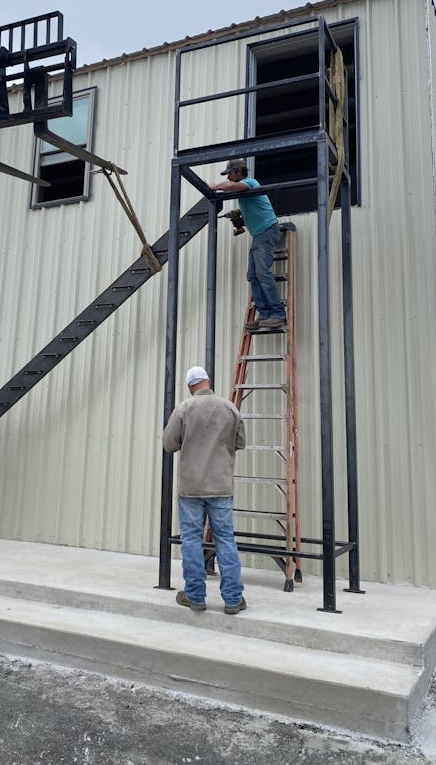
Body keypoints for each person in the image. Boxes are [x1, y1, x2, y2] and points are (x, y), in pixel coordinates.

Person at [162, 366, 247, 615]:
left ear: (190, 386)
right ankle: (233, 600)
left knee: (191, 540)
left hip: (191, 487)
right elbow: (240, 442)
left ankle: (195, 596)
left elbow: (169, 444)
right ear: (208, 381)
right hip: (220, 486)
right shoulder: (229, 408)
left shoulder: (184, 409)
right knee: (225, 539)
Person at [210, 157, 286, 331]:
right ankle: (265, 314)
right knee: (252, 275)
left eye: (229, 173)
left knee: (262, 273)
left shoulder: (250, 182)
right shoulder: (243, 192)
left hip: (267, 232)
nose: (228, 177)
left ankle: (278, 314)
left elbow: (230, 187)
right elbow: (254, 212)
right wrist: (239, 218)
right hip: (259, 234)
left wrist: (214, 186)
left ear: (238, 172)